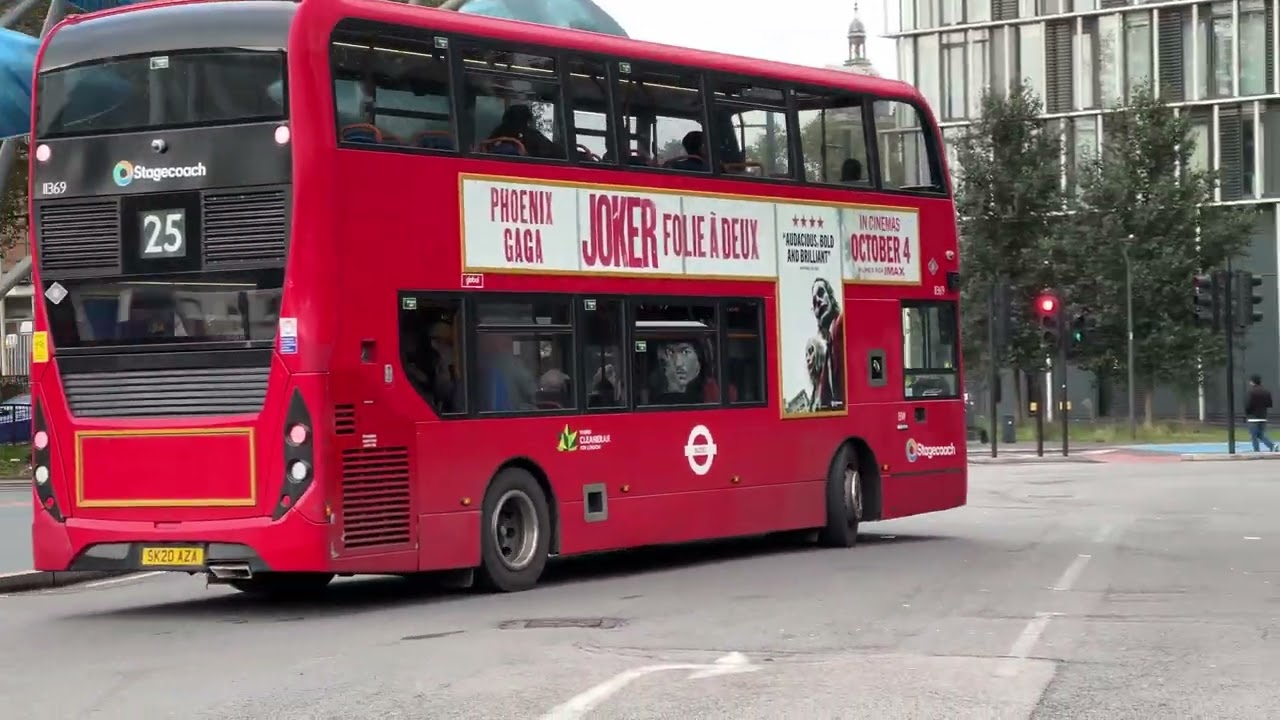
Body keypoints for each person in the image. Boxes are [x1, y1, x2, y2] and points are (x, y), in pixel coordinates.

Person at [1245, 374, 1276, 452]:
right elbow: (1269, 404)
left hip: (1252, 417)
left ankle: (1257, 450)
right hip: (1263, 416)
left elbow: (1248, 405)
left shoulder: (1251, 392)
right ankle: (1271, 446)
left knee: (1254, 435)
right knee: (1260, 434)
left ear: (1252, 382)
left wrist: (1247, 413)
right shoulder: (1266, 392)